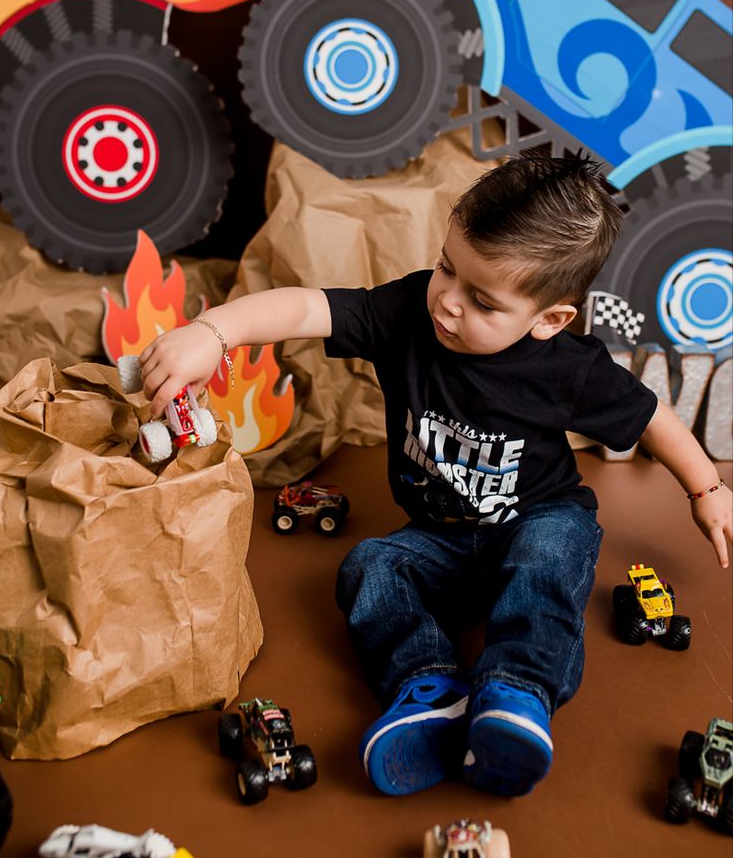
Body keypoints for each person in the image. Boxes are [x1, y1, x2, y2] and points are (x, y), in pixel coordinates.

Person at [138, 152, 732, 800]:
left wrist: (706, 490)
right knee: (369, 566)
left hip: (534, 516)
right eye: (448, 266)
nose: (448, 302)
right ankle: (433, 689)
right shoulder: (407, 314)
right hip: (441, 537)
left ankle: (515, 693)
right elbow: (309, 309)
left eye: (482, 301)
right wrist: (213, 331)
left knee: (546, 560)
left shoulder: (567, 367)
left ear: (548, 319)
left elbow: (653, 419)